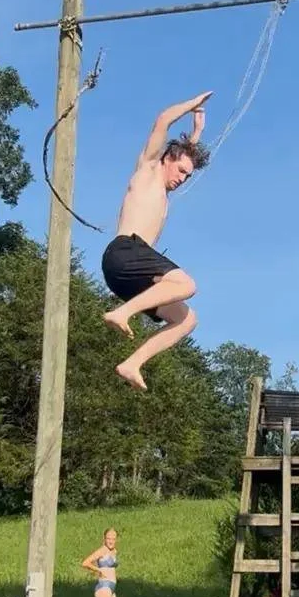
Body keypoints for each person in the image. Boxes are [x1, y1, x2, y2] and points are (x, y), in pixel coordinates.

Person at [101, 91, 212, 391]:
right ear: (168, 158)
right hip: (124, 252)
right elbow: (163, 120)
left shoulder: (164, 190)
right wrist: (192, 104)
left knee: (187, 320)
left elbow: (186, 157)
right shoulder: (148, 168)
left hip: (129, 275)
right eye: (181, 172)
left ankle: (132, 363)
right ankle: (122, 313)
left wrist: (197, 132)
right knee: (187, 285)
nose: (182, 180)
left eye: (188, 177)